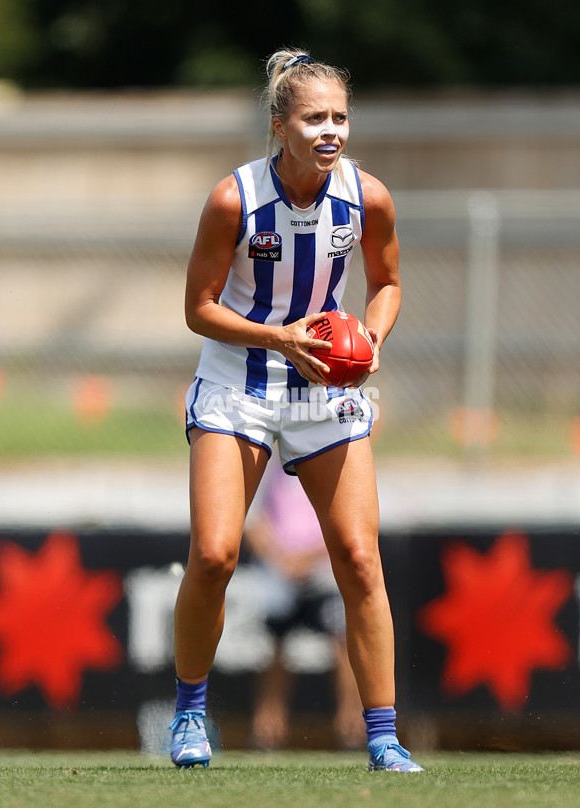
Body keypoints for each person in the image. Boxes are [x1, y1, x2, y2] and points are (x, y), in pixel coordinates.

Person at [169, 47, 423, 773]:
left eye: (340, 116)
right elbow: (198, 310)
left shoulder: (367, 195)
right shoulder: (233, 199)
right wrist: (279, 336)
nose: (331, 129)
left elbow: (389, 283)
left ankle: (382, 736)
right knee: (216, 555)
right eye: (315, 117)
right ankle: (190, 715)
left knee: (359, 561)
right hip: (238, 381)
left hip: (325, 390)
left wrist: (370, 339)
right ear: (280, 125)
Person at [245, 456, 365, 751]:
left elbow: (345, 525)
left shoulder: (330, 466)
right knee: (274, 648)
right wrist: (281, 560)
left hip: (322, 572)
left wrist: (306, 559)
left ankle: (351, 726)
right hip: (280, 571)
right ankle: (268, 727)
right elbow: (254, 524)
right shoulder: (270, 473)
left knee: (343, 643)